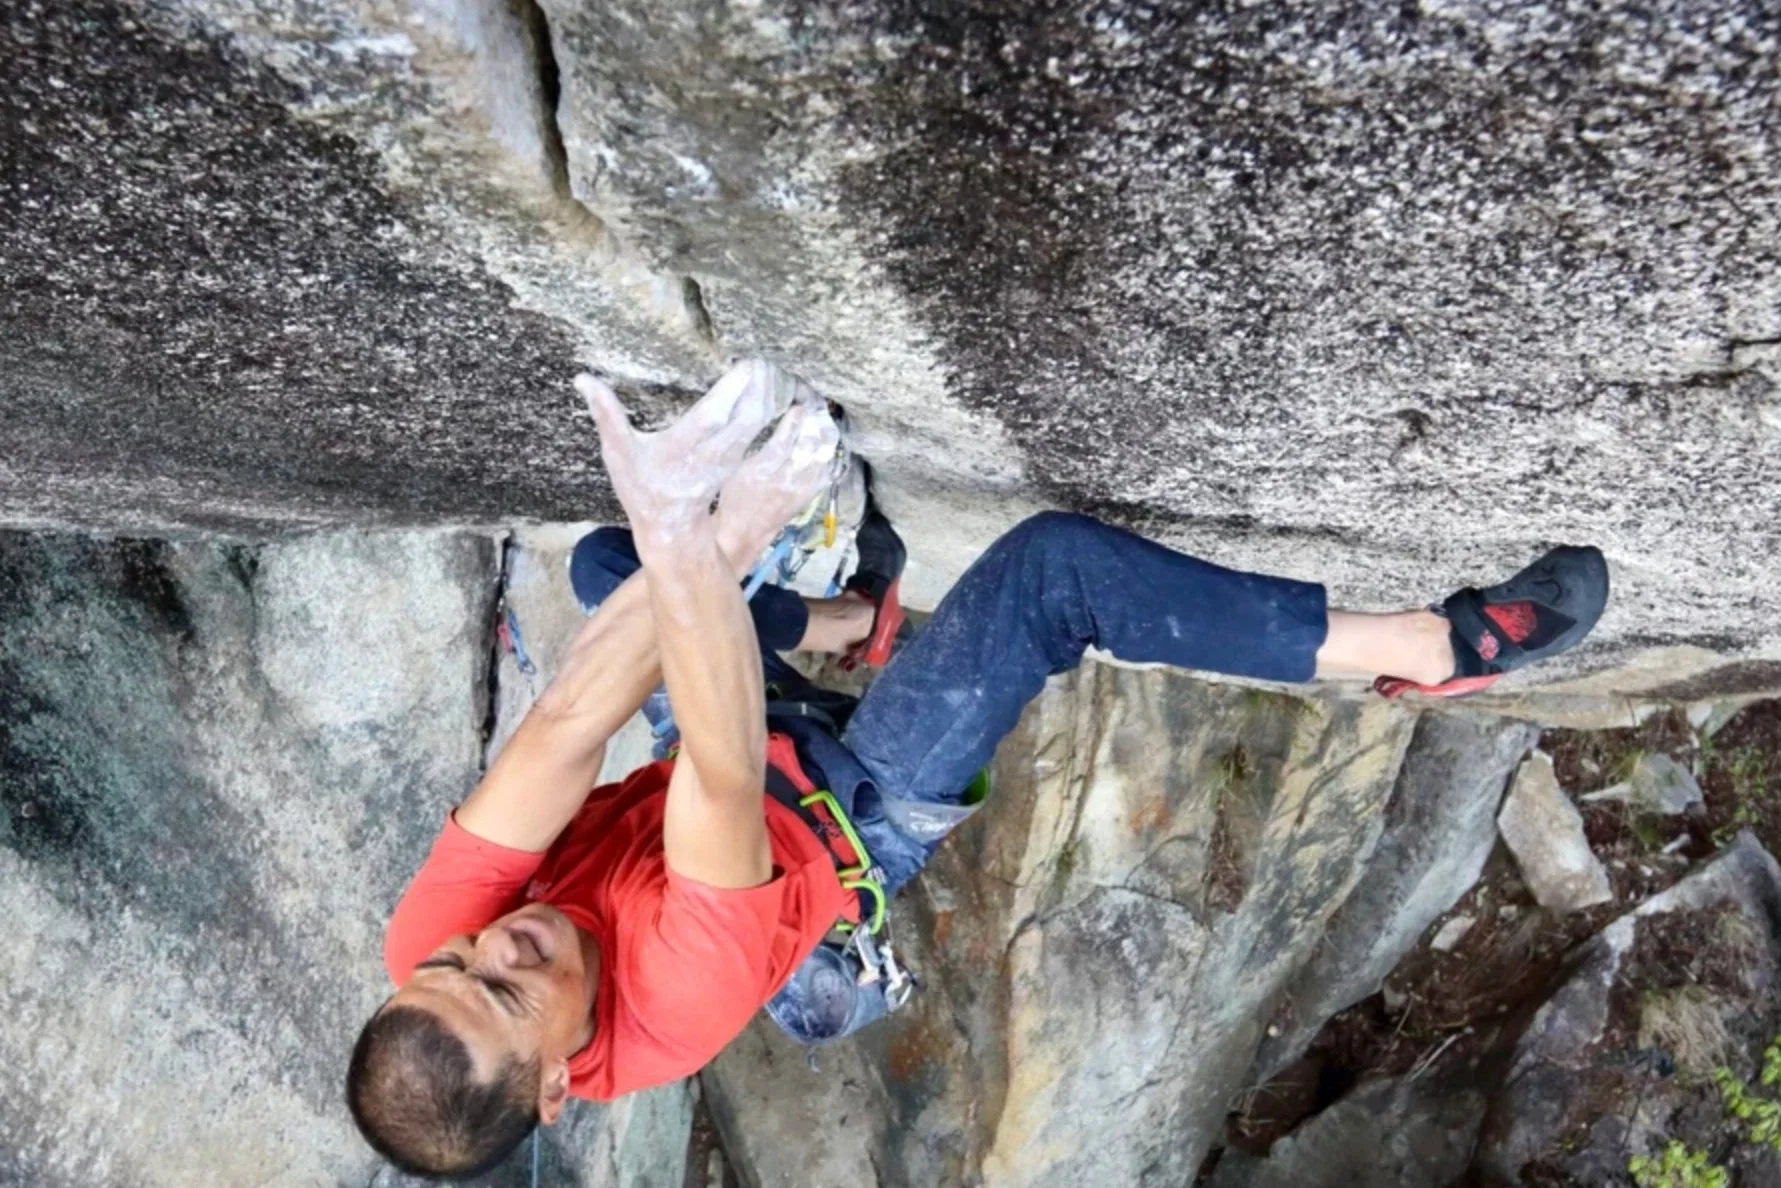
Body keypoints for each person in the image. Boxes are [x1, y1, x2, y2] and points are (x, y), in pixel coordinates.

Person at [345, 360, 1609, 1179]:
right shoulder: (667, 1014)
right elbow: (722, 780)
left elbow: (569, 727)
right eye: (506, 993)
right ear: (563, 1085)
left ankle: (854, 624)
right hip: (843, 816)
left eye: (457, 959)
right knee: (1048, 575)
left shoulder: (434, 957)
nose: (496, 944)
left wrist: (696, 549)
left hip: (730, 768)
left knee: (605, 575)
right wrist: (710, 536)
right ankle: (1435, 646)